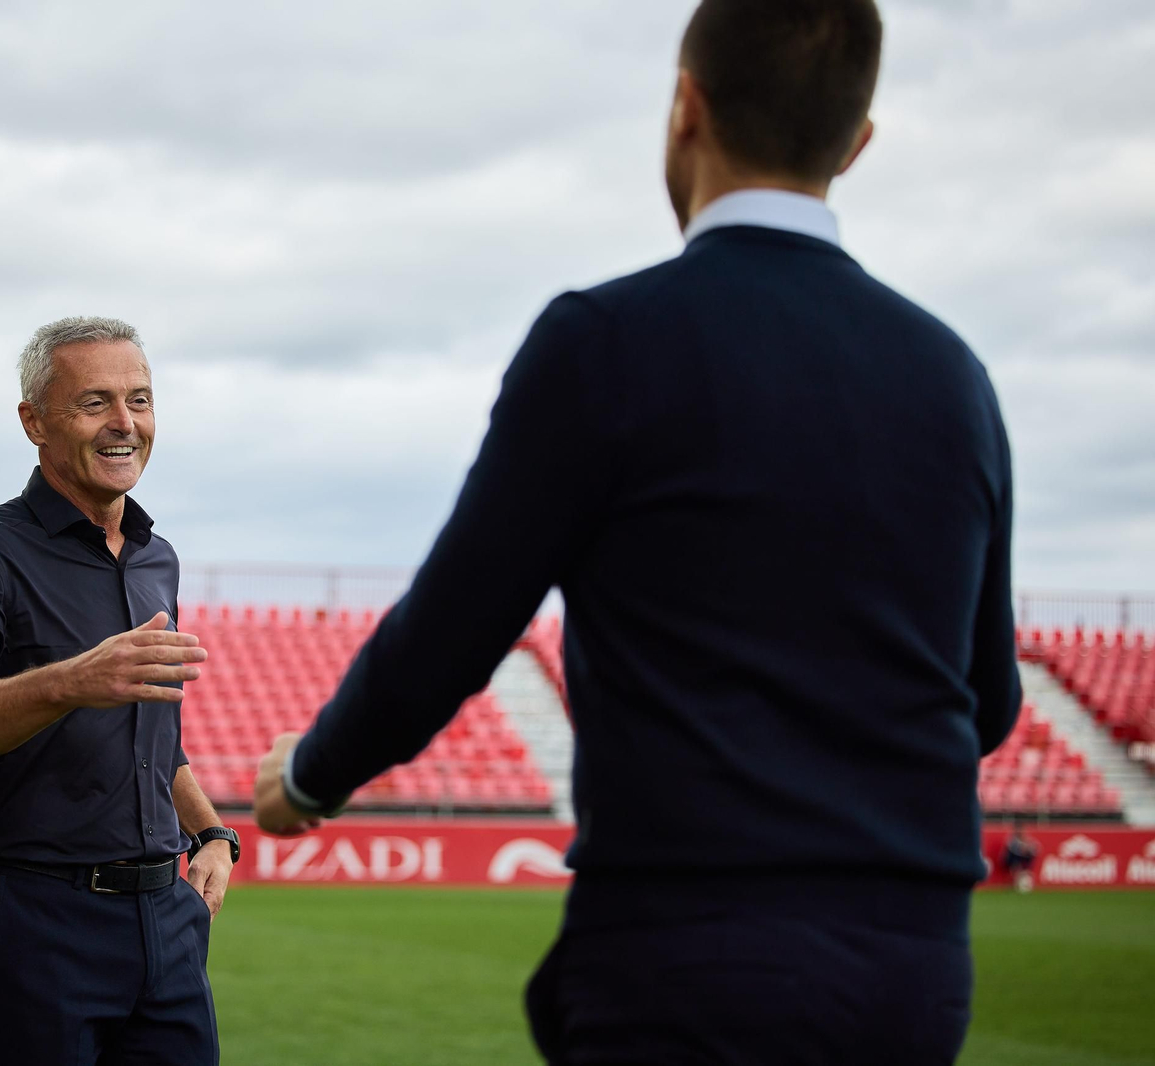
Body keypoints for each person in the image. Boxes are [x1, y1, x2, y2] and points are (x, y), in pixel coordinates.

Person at [254, 2, 1021, 1063]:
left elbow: (453, 630)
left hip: (684, 951)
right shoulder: (954, 377)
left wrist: (308, 777)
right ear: (856, 142)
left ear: (684, 105)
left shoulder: (604, 344)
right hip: (912, 969)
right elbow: (987, 700)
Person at [0, 316, 235, 1065]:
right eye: (95, 403)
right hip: (38, 920)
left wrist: (213, 832)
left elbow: (155, 741)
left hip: (167, 919)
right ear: (34, 421)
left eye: (141, 399)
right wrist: (70, 681)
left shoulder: (160, 558)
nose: (125, 423)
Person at [1002, 823, 1041, 892]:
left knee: (1029, 857)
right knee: (1016, 860)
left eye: (1022, 830)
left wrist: (1027, 848)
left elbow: (1036, 849)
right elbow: (1012, 850)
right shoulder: (1011, 840)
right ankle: (1019, 879)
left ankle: (1025, 878)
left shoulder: (1028, 840)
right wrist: (1022, 849)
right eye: (1019, 830)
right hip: (1012, 859)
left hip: (1023, 859)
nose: (1021, 832)